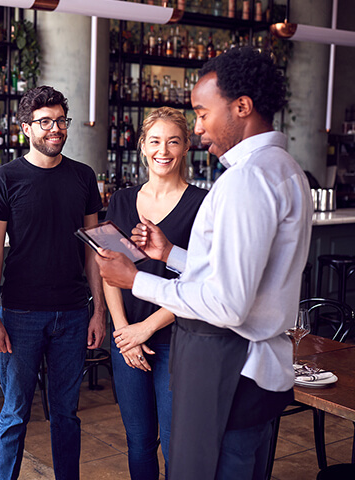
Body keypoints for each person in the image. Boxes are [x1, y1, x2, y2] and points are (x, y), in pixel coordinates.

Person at [95, 47, 312, 480]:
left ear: (242, 107)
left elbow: (227, 302)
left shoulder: (245, 180)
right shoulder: (286, 169)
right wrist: (170, 254)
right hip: (259, 370)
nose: (198, 127)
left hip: (229, 370)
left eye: (201, 113)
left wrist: (136, 278)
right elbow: (240, 270)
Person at [0, 85, 107, 480]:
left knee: (66, 413)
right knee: (15, 412)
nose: (55, 129)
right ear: (26, 128)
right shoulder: (5, 178)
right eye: (45, 122)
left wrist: (98, 311)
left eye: (60, 121)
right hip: (20, 313)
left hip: (73, 312)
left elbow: (94, 249)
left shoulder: (83, 176)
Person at [104, 107, 208, 480]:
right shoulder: (120, 200)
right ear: (142, 147)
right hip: (126, 337)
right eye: (155, 142)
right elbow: (108, 270)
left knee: (177, 443)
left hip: (176, 339)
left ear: (186, 148)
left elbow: (201, 281)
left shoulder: (202, 205)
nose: (163, 150)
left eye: (173, 142)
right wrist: (123, 333)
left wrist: (145, 328)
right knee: (139, 442)